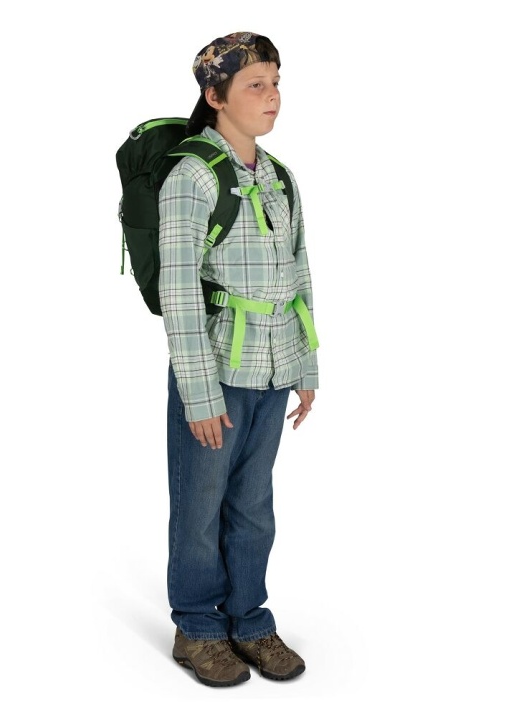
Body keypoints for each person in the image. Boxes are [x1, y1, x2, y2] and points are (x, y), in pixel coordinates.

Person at [158, 31, 319, 687]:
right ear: (215, 95)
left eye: (275, 82)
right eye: (255, 84)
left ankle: (249, 619)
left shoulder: (279, 177)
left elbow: (299, 273)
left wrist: (305, 368)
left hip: (273, 369)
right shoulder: (190, 178)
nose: (272, 95)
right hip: (216, 375)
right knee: (199, 509)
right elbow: (178, 294)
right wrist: (198, 396)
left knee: (253, 505)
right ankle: (198, 627)